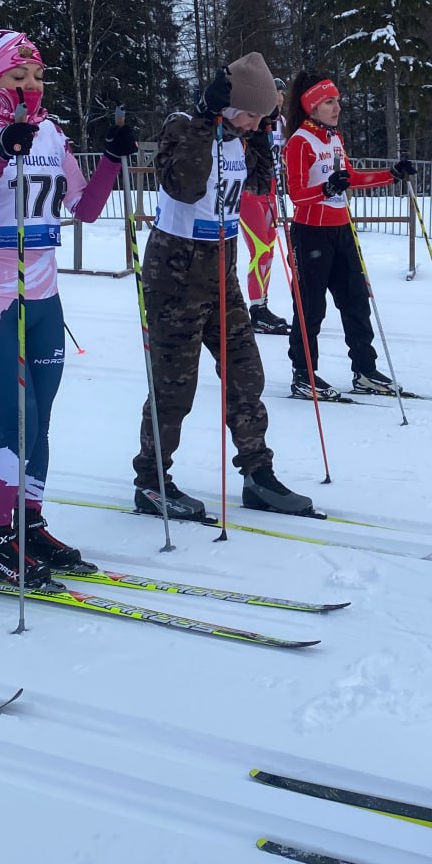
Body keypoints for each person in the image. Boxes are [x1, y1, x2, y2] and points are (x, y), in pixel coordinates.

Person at [0, 29, 133, 585]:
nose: (29, 86)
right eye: (16, 76)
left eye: (37, 76)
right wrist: (0, 153)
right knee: (17, 424)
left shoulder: (50, 133)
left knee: (40, 423)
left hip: (44, 299)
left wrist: (112, 162)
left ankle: (28, 525)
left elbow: (85, 208)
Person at [130, 52, 315, 521]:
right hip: (174, 277)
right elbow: (183, 188)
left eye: (262, 116)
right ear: (223, 104)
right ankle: (151, 481)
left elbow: (258, 184)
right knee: (175, 387)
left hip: (221, 274)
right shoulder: (183, 129)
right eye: (251, 113)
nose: (255, 123)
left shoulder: (240, 137)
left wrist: (261, 139)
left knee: (246, 374)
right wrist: (203, 122)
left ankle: (257, 473)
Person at [282, 73, 417, 400]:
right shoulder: (300, 141)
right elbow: (296, 193)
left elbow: (351, 178)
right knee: (311, 308)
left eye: (337, 100)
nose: (337, 106)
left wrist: (391, 174)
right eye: (329, 101)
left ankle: (365, 371)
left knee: (356, 301)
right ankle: (304, 373)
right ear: (312, 106)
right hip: (311, 233)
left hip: (341, 230)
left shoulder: (334, 139)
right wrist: (327, 187)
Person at [239, 76, 290, 335]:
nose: (280, 97)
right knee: (260, 251)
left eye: (281, 93)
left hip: (270, 189)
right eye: (276, 92)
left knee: (268, 250)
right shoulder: (254, 123)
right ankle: (257, 311)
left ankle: (262, 305)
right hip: (250, 192)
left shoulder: (282, 123)